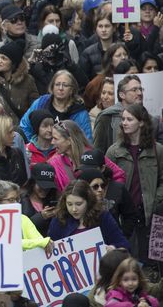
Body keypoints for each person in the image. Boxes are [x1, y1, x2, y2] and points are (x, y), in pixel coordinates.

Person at [104, 104, 163, 260]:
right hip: (124, 212)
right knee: (125, 256)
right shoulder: (114, 151)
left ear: (141, 122)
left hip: (149, 211)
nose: (124, 122)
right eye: (123, 119)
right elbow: (105, 181)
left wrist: (156, 200)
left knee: (150, 258)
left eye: (129, 119)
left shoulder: (157, 150)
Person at [48, 180, 130, 248]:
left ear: (88, 201)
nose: (74, 209)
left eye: (79, 204)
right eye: (69, 204)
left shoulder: (103, 217)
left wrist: (112, 248)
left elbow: (124, 244)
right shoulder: (59, 220)